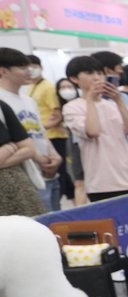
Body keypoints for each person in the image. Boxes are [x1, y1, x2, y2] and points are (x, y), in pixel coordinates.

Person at [62, 55, 128, 202]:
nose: (96, 77)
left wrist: (118, 100)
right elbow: (93, 131)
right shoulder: (71, 107)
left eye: (99, 73)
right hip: (101, 184)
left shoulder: (112, 104)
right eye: (89, 73)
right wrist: (91, 99)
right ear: (74, 79)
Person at [0, 48, 62, 212]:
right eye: (21, 67)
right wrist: (37, 157)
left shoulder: (28, 100)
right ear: (3, 71)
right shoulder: (2, 101)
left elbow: (40, 132)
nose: (29, 71)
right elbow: (13, 141)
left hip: (48, 171)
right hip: (27, 174)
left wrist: (54, 156)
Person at [26, 54, 69, 209]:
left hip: (54, 136)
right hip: (41, 136)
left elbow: (57, 114)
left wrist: (44, 127)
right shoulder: (30, 88)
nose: (29, 70)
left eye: (32, 66)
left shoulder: (48, 87)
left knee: (57, 174)